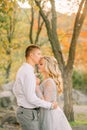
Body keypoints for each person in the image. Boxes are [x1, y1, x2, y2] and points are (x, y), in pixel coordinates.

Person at [13, 45, 57, 130]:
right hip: (27, 112)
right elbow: (31, 98)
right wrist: (50, 105)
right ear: (31, 55)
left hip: (26, 112)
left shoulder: (24, 70)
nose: (41, 56)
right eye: (38, 54)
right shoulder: (28, 72)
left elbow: (15, 89)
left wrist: (21, 99)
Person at [36, 56, 72, 130]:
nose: (38, 65)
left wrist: (36, 86)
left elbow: (46, 102)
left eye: (41, 64)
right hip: (45, 113)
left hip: (49, 115)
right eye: (39, 64)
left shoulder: (49, 81)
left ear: (48, 66)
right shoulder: (46, 80)